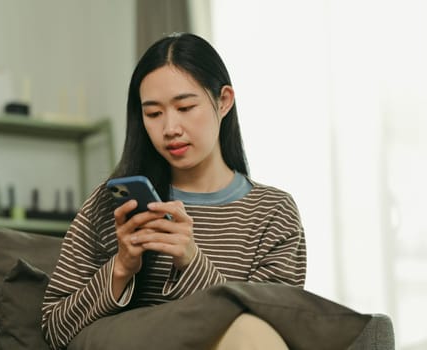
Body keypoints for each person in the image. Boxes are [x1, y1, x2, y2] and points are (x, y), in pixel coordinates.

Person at [41, 32, 306, 350]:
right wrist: (122, 267)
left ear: (223, 101)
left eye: (185, 107)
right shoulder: (111, 205)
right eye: (153, 114)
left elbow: (274, 332)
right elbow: (54, 329)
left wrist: (190, 260)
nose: (170, 129)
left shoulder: (273, 212)